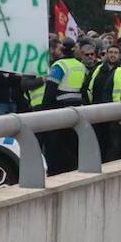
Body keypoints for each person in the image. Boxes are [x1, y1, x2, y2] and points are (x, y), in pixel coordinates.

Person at [39, 37, 88, 173]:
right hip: (77, 110)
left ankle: (57, 172)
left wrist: (44, 110)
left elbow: (50, 89)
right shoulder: (81, 66)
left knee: (56, 147)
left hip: (59, 109)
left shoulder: (59, 66)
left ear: (61, 50)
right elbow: (84, 89)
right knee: (72, 144)